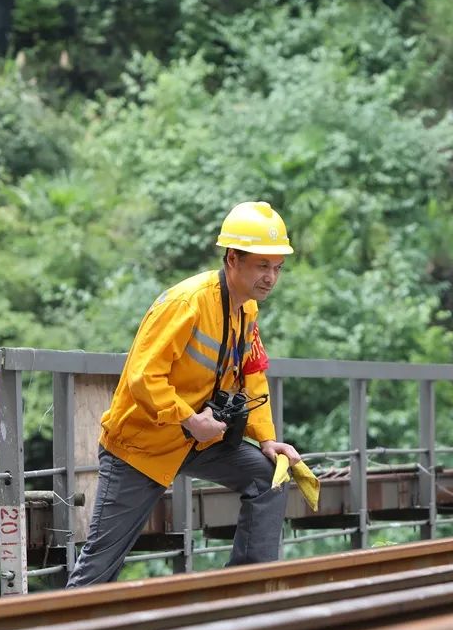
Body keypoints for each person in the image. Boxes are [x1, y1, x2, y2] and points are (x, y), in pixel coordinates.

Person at [66, 200, 301, 587]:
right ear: (232, 260)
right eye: (262, 265)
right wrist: (190, 419)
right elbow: (143, 377)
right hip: (142, 445)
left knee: (268, 476)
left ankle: (246, 596)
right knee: (100, 565)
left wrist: (268, 439)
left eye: (277, 268)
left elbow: (253, 375)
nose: (271, 278)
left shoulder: (246, 311)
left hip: (201, 437)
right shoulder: (187, 303)